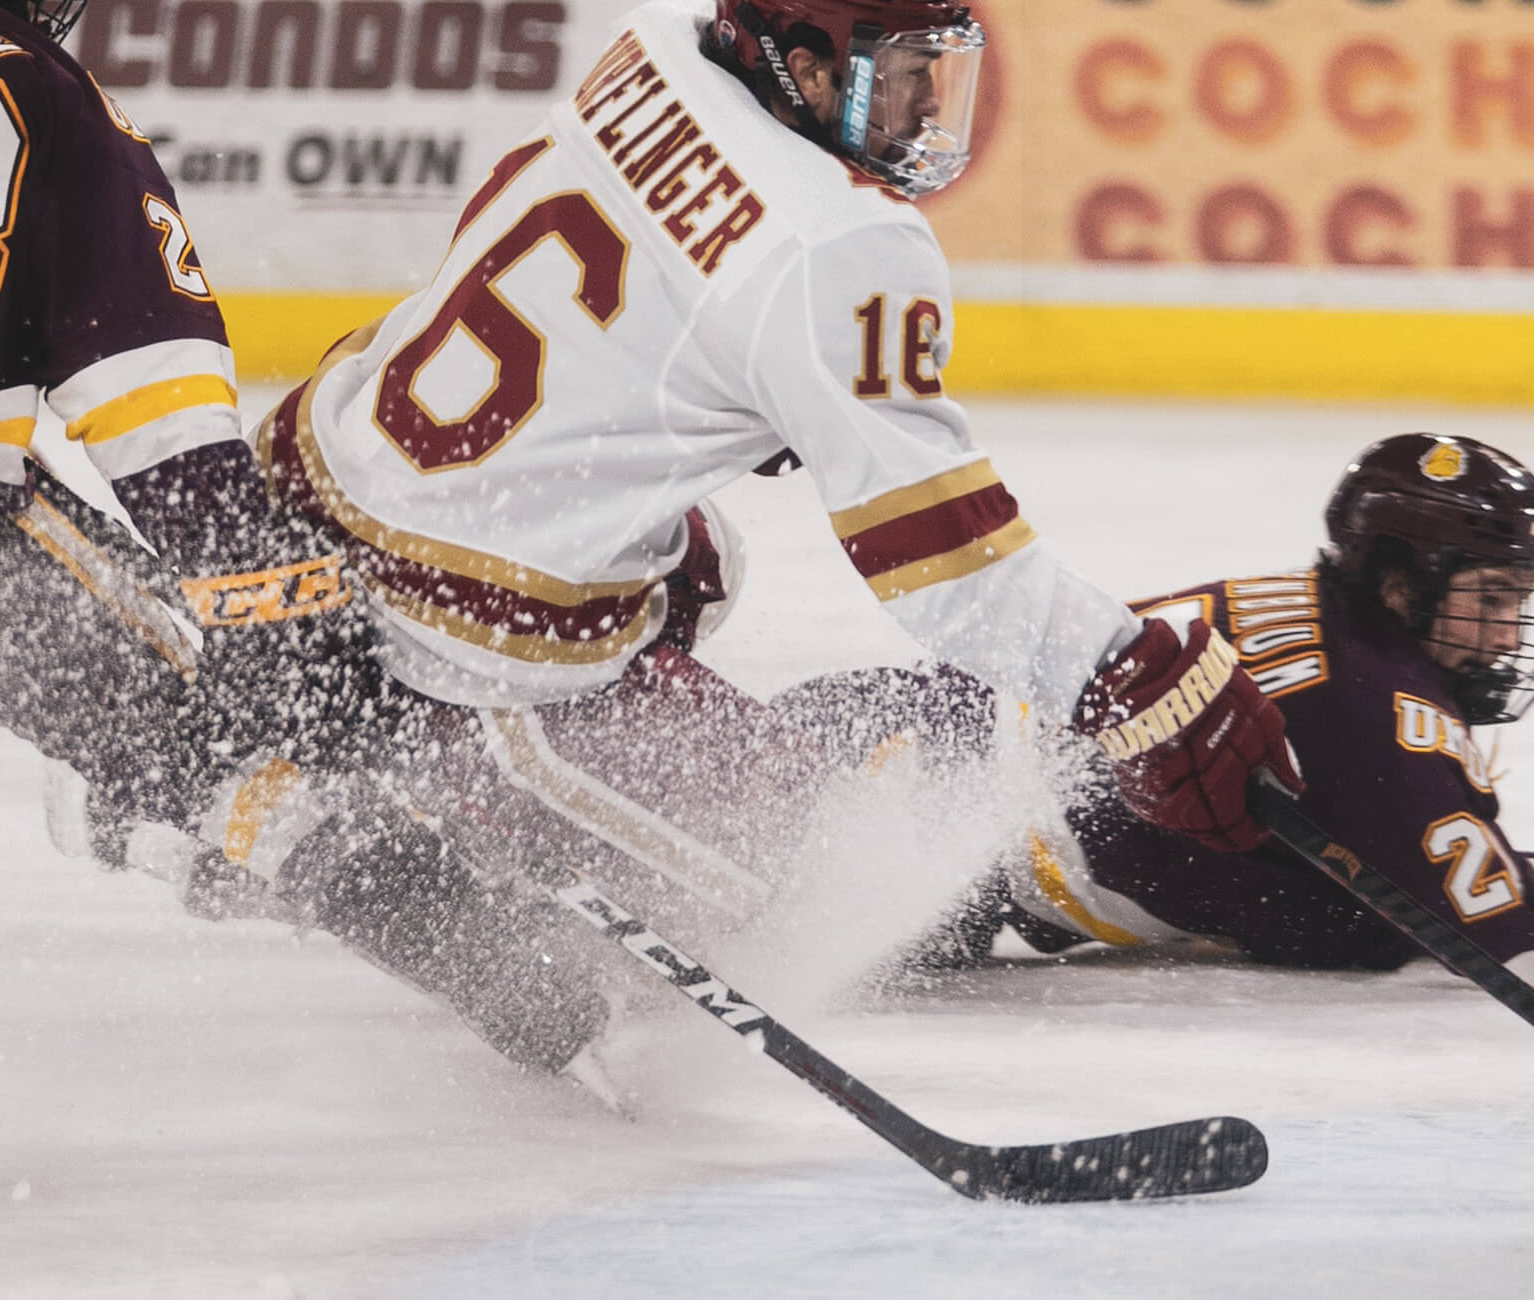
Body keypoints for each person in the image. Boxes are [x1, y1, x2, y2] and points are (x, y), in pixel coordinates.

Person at [243, 0, 1301, 1004]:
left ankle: (403, 730)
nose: (928, 113)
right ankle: (462, 774)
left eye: (939, 76)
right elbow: (946, 562)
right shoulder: (845, 246)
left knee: (701, 560)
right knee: (816, 883)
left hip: (318, 466)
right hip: (469, 618)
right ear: (804, 67)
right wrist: (1126, 671)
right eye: (899, 80)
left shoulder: (656, 42)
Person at [0, 0, 616, 1080]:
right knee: (194, 721)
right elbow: (159, 418)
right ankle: (476, 945)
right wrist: (278, 611)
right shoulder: (54, 103)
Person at [901, 434, 1534, 989]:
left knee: (1352, 919)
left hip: (927, 773)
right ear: (1403, 582)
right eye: (1493, 597)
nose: (1510, 634)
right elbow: (1514, 933)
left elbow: (1404, 860)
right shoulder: (1377, 705)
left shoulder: (1333, 626)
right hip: (900, 806)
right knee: (1356, 928)